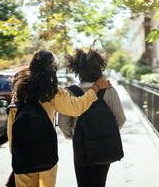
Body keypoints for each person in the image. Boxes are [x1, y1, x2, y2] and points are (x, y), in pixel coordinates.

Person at [7, 50, 111, 187]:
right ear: (52, 68)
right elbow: (77, 107)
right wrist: (96, 87)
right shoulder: (51, 91)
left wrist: (14, 151)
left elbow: (12, 123)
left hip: (22, 153)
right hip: (44, 151)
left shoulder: (20, 88)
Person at [58, 49, 126, 187]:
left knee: (84, 183)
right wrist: (108, 131)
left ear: (78, 70)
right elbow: (121, 118)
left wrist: (72, 135)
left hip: (81, 145)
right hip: (105, 143)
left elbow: (63, 123)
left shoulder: (70, 92)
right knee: (100, 182)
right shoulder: (109, 90)